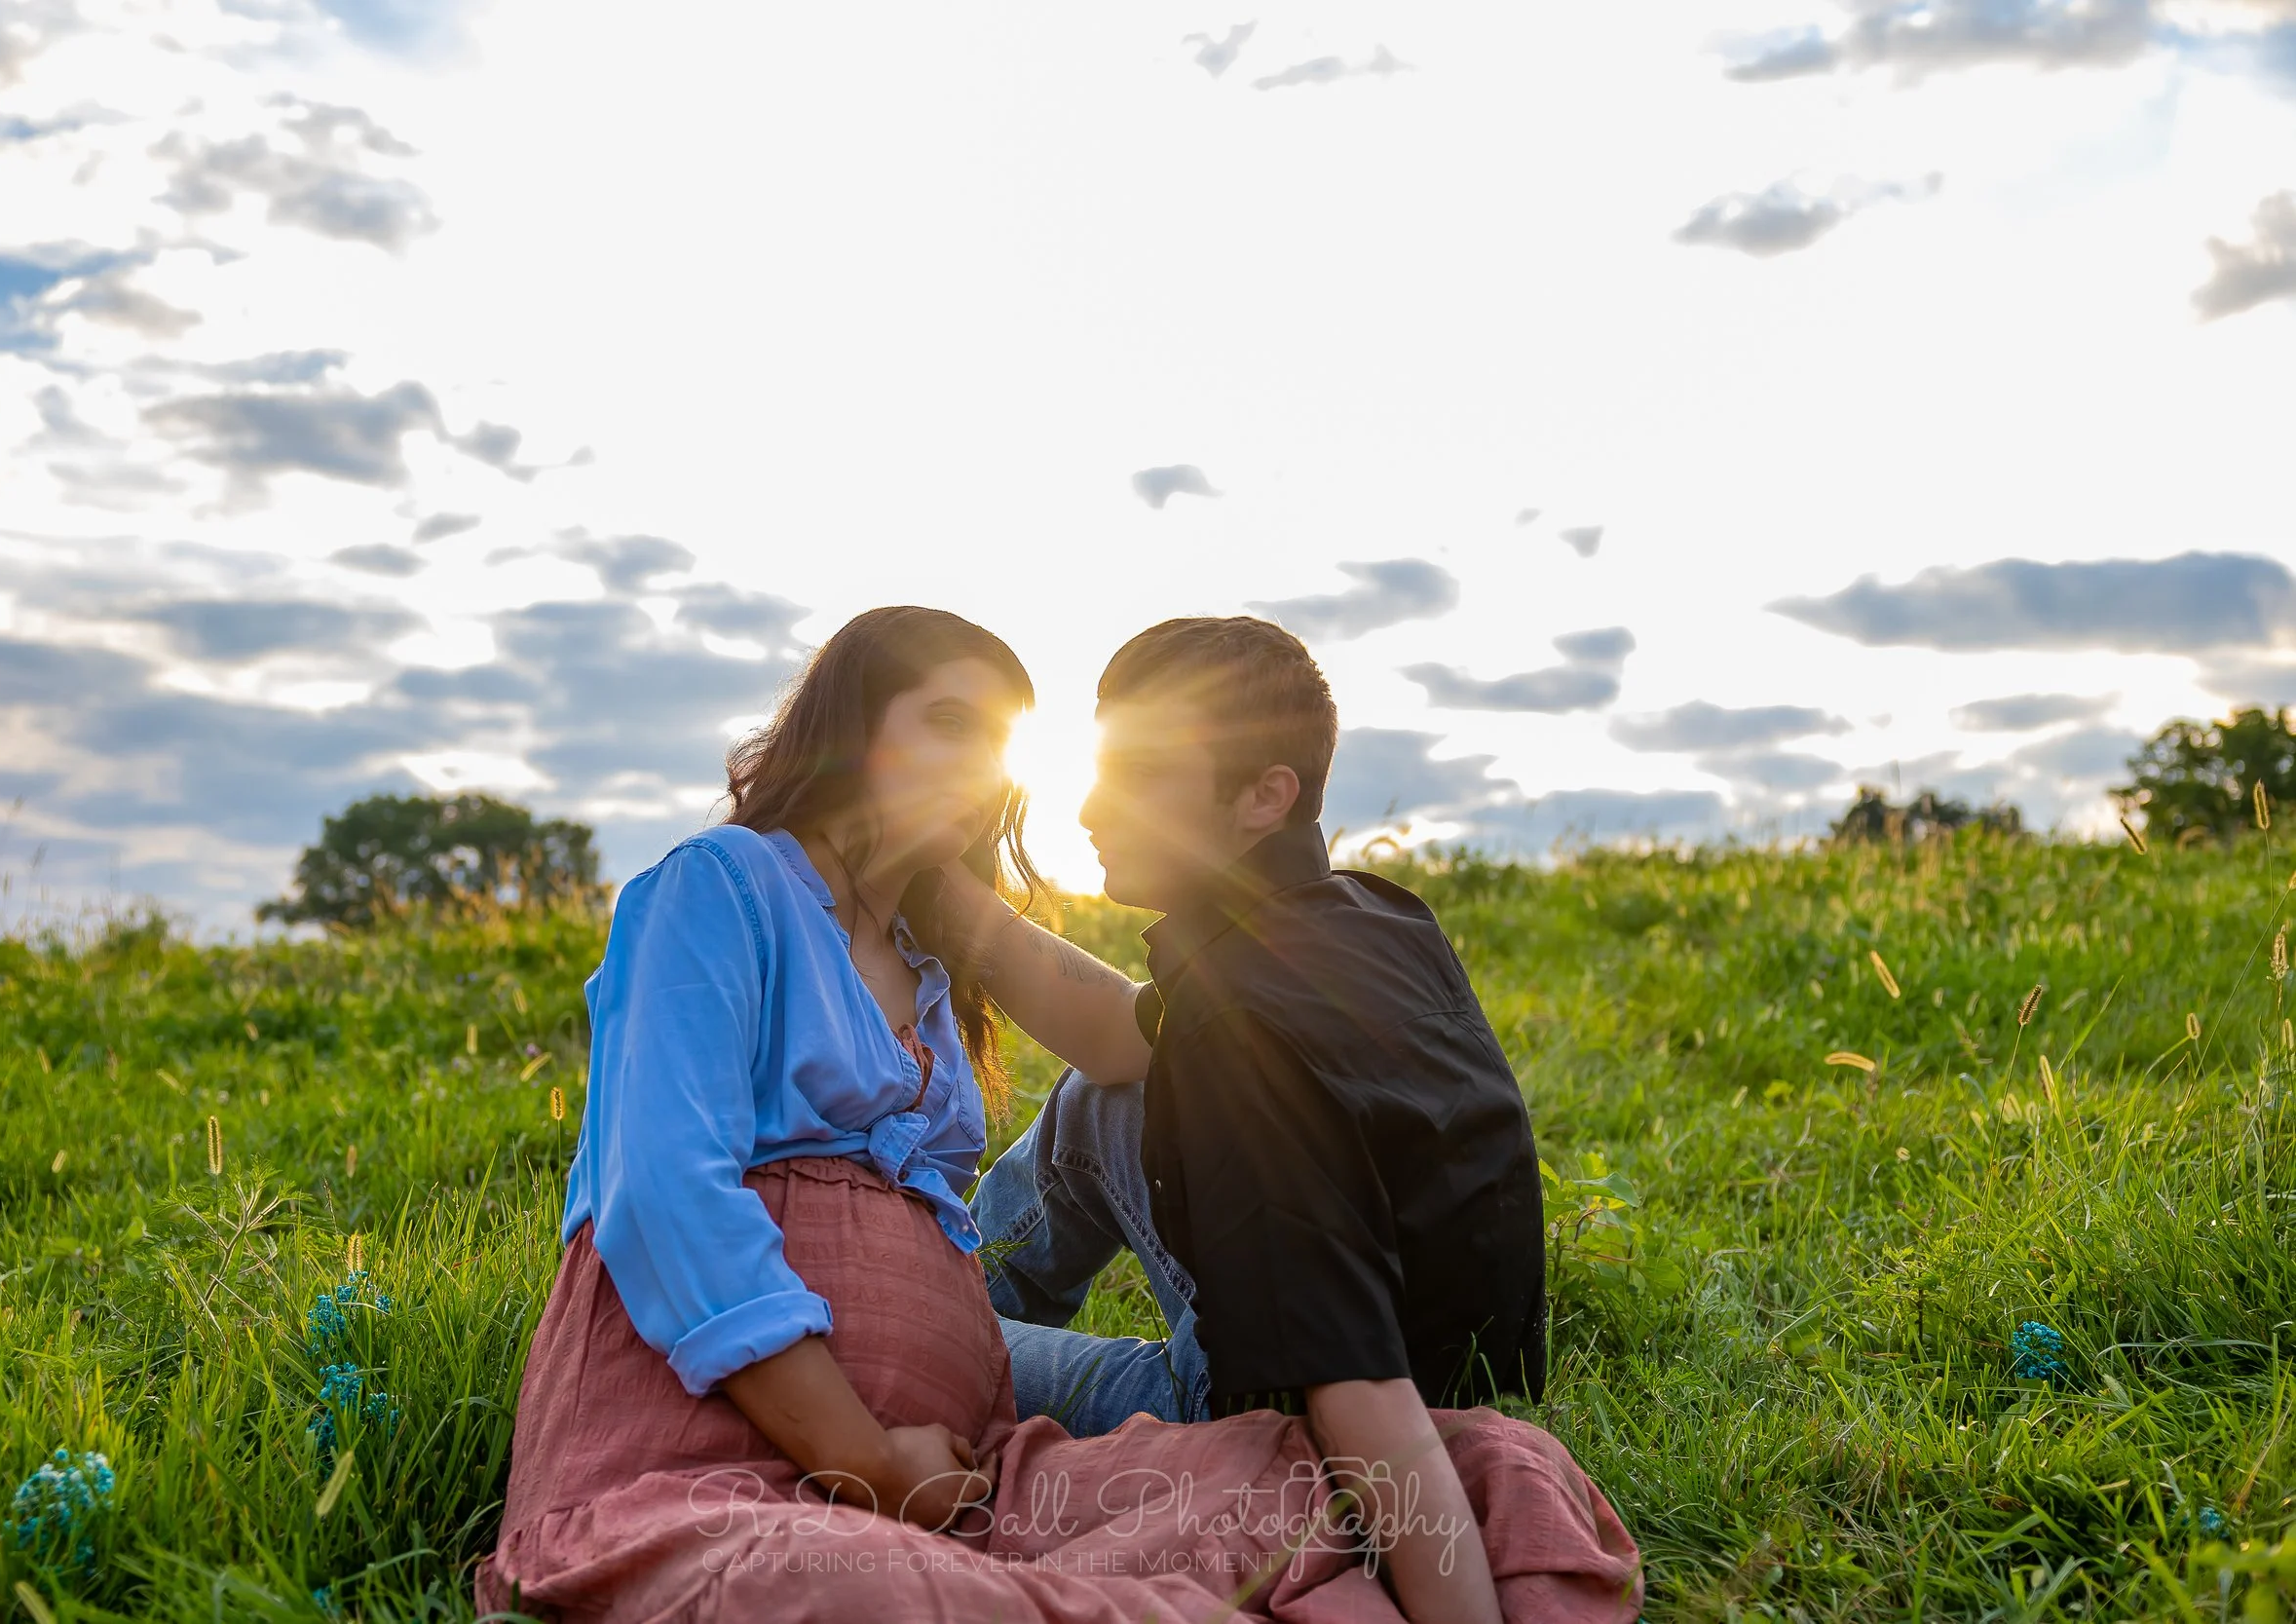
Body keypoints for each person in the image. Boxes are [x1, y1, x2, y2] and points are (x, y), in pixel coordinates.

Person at [474, 605, 1640, 1624]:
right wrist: (873, 1460)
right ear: (849, 730)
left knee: (1479, 1467)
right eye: (949, 723)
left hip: (991, 1461)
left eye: (1001, 741)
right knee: (867, 1589)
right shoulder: (717, 886)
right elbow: (666, 1191)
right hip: (752, 1461)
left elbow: (1148, 1058)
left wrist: (924, 884)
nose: (991, 767)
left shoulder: (972, 967)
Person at [944, 616, 1552, 1604]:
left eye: (1138, 774)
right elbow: (1114, 1038)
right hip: (1447, 1350)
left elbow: (1361, 1394)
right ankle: (965, 1283)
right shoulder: (1369, 912)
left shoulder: (1238, 1031)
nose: (1091, 805)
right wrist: (949, 897)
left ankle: (938, 1327)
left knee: (883, 1341)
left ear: (1264, 794)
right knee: (1103, 1092)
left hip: (1293, 1424)